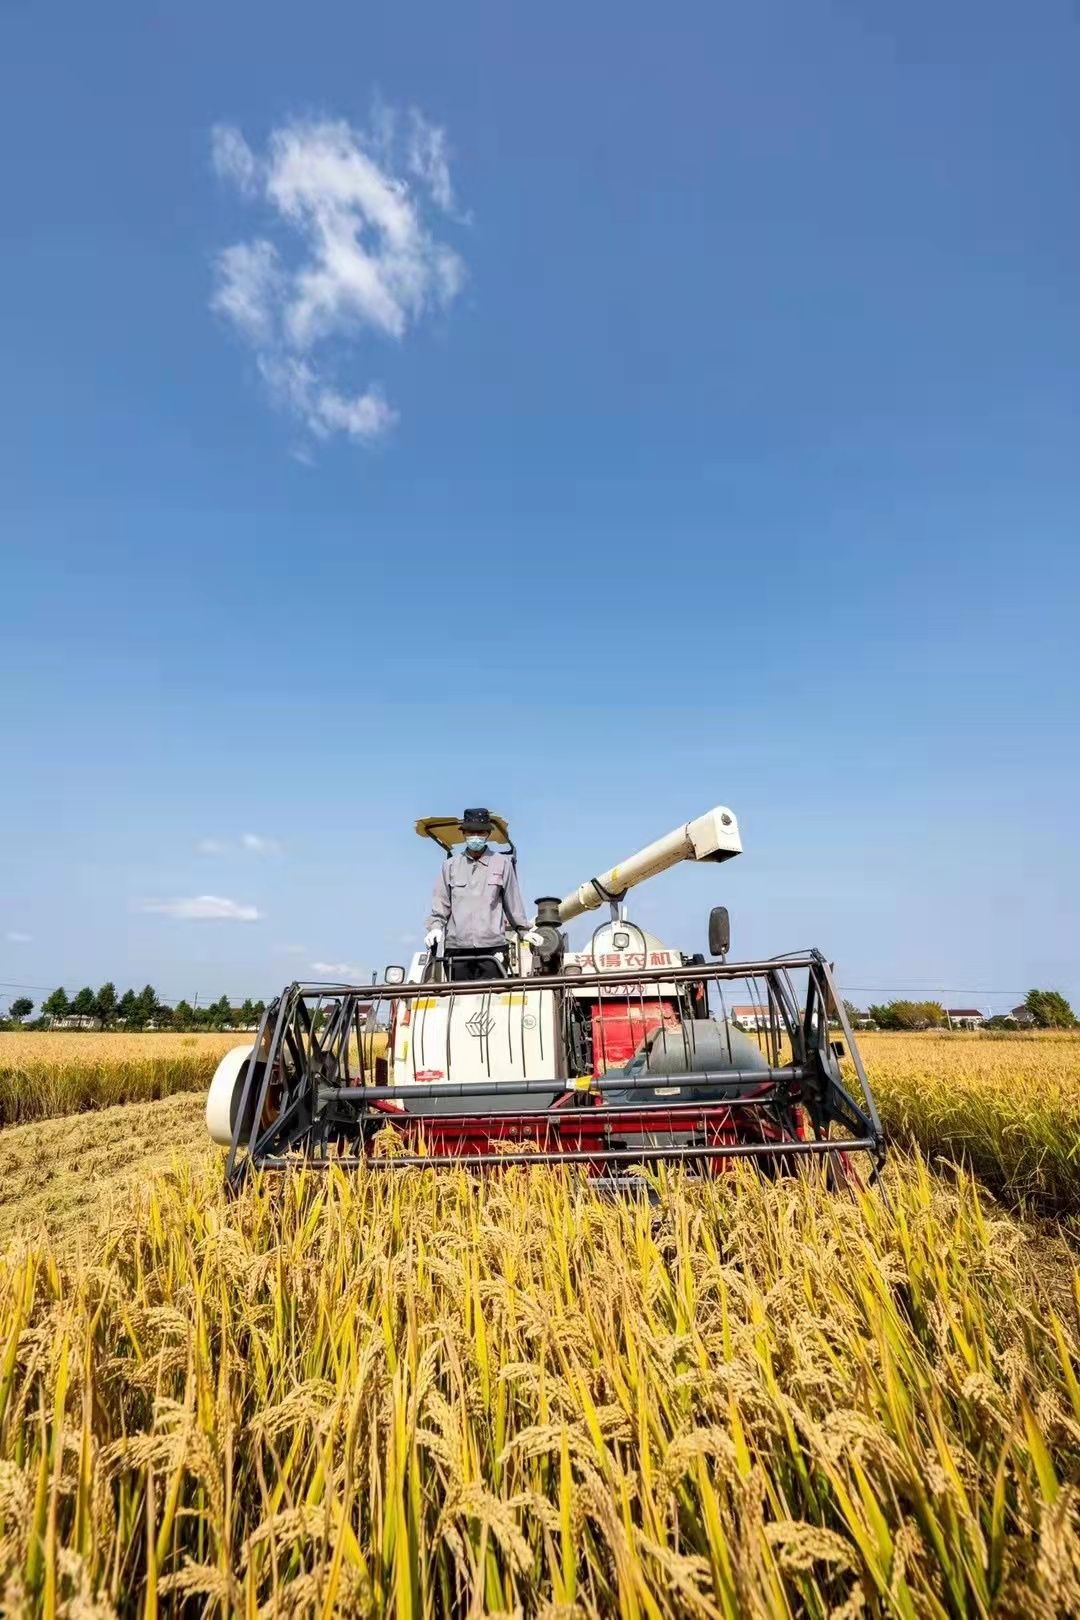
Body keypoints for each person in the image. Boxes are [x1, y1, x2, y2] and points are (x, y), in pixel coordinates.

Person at [424, 808, 541, 980]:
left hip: (493, 948)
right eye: (471, 832)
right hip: (457, 949)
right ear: (463, 833)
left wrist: (524, 931)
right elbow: (441, 905)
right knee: (458, 1002)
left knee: (494, 1001)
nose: (476, 836)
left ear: (487, 833)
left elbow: (513, 903)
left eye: (480, 832)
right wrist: (435, 929)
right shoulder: (449, 866)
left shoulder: (502, 864)